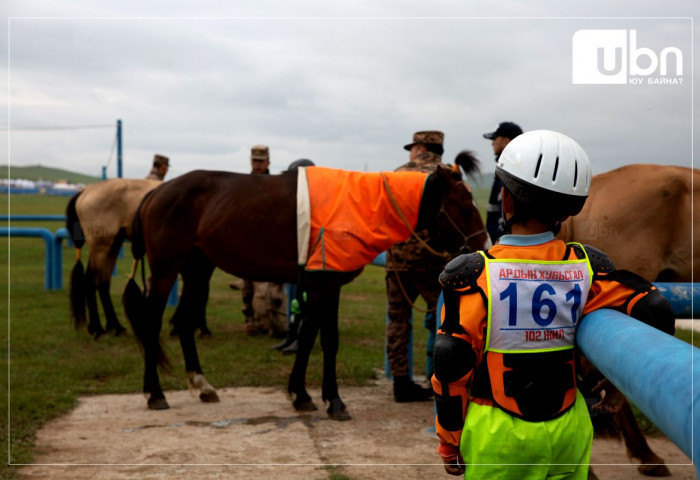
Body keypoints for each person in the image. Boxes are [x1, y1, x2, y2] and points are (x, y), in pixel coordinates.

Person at [431, 130, 675, 479]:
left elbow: (450, 359)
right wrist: (620, 383)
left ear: (507, 201)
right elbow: (656, 309)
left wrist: (448, 442)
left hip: (497, 434)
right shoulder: (589, 267)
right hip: (570, 430)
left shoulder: (476, 274)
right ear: (568, 209)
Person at [385, 130, 446, 403]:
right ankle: (442, 379)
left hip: (397, 260)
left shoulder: (397, 174)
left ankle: (401, 383)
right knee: (446, 320)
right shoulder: (446, 176)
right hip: (433, 260)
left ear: (419, 148)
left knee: (398, 320)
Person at [238, 145, 286, 337]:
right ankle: (250, 321)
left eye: (260, 161)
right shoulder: (243, 184)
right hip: (247, 239)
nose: (257, 165)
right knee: (247, 286)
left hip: (267, 241)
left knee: (271, 286)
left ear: (268, 162)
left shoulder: (274, 184)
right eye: (254, 161)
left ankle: (271, 322)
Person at [483, 121, 522, 244]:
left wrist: (501, 237)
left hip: (507, 242)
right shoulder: (503, 169)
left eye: (495, 138)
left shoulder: (511, 172)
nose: (492, 143)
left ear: (506, 141)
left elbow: (507, 212)